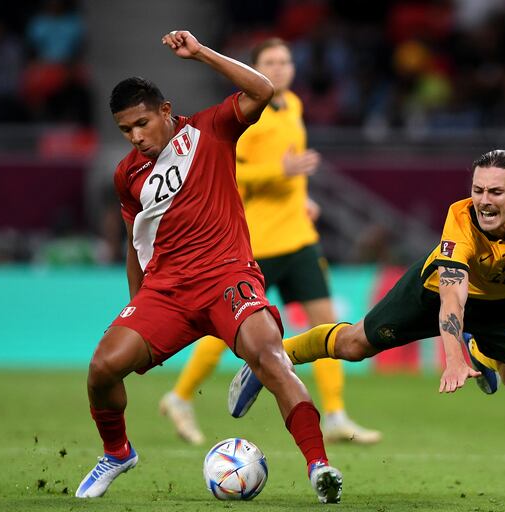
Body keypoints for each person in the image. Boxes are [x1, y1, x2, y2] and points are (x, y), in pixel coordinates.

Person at [75, 30, 343, 504]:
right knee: (101, 370)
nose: (136, 137)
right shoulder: (127, 176)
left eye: (142, 123)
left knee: (272, 356)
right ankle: (117, 453)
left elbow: (262, 91)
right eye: (125, 130)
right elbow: (136, 244)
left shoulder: (211, 128)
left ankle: (319, 466)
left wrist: (200, 53)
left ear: (165, 111)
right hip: (167, 293)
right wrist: (137, 303)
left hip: (228, 279)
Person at [228, 149, 505, 414]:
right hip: (434, 292)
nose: (483, 200)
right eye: (478, 189)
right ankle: (274, 357)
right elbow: (452, 300)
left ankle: (482, 353)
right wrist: (452, 359)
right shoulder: (461, 218)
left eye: (496, 192)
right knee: (353, 345)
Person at [159, 38, 381, 446]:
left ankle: (334, 414)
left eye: (285, 61)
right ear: (255, 67)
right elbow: (229, 175)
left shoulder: (292, 106)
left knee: (326, 323)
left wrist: (304, 197)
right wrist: (279, 173)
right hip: (258, 243)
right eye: (270, 63)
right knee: (227, 330)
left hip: (299, 238)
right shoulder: (249, 113)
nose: (279, 69)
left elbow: (291, 172)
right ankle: (179, 396)